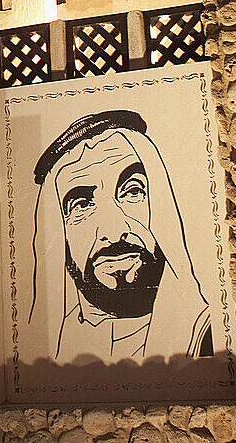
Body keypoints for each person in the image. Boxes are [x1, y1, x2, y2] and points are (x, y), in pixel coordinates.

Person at [30, 109, 212, 364]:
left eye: (133, 192)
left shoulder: (205, 338)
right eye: (81, 205)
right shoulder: (57, 351)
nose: (113, 232)